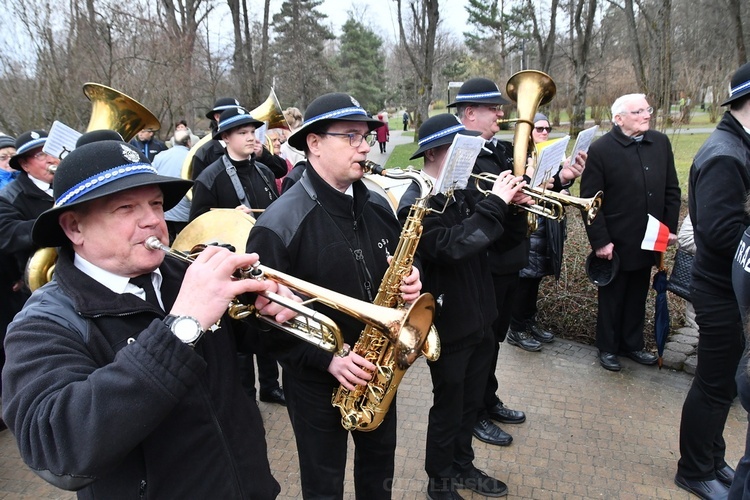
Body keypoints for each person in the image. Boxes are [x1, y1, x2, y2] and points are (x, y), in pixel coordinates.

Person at [1, 135, 297, 498]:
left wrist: (278, 316)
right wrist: (182, 327)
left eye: (156, 204)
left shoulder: (183, 274)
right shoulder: (43, 322)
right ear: (74, 227)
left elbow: (259, 347)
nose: (154, 222)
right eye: (127, 208)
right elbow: (56, 449)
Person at [245, 92, 423, 499]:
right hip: (315, 383)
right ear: (314, 143)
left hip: (378, 371)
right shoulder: (278, 226)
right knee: (324, 484)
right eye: (352, 136)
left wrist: (413, 278)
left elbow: (398, 263)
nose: (365, 146)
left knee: (379, 473)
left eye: (366, 136)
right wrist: (327, 359)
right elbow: (261, 328)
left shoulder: (378, 204)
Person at [398, 113, 526, 499]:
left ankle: (463, 466)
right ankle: (439, 482)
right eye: (463, 149)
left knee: (470, 405)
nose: (471, 157)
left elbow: (498, 241)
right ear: (437, 151)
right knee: (448, 408)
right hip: (448, 324)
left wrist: (513, 208)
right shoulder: (416, 202)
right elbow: (452, 247)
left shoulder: (464, 190)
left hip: (481, 316)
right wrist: (494, 206)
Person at [449, 77, 582, 448]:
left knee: (494, 342)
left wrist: (559, 179)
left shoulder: (503, 149)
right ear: (470, 113)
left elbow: (525, 190)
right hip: (486, 262)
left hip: (510, 257)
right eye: (493, 108)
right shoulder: (462, 154)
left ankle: (487, 399)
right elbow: (472, 212)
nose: (501, 113)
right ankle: (473, 413)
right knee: (482, 343)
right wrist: (505, 201)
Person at [676, 62, 750, 499]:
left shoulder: (735, 146)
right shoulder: (726, 153)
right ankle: (694, 469)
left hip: (726, 288)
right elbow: (721, 232)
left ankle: (712, 457)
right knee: (714, 383)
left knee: (719, 385)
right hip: (720, 290)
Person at [189, 106, 286, 405]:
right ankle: (246, 397)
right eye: (242, 133)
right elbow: (198, 229)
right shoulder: (210, 177)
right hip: (231, 269)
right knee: (241, 334)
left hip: (263, 262)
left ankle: (270, 386)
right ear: (225, 138)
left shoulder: (264, 170)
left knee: (268, 323)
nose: (250, 138)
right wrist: (226, 217)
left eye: (251, 132)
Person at [580, 93, 681, 372]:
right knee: (612, 297)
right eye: (638, 112)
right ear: (619, 118)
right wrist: (600, 241)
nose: (646, 115)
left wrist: (668, 229)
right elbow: (590, 202)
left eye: (647, 110)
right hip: (615, 241)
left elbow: (671, 190)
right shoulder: (601, 150)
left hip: (649, 237)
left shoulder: (660, 142)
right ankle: (608, 348)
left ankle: (632, 344)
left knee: (638, 294)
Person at [507, 113, 585, 349]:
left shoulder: (550, 152)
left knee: (536, 278)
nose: (544, 132)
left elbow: (552, 183)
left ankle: (530, 322)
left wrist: (564, 179)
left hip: (544, 225)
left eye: (547, 128)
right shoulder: (519, 156)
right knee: (525, 280)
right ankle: (517, 328)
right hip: (528, 226)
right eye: (539, 128)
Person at [152, 129, 192, 242]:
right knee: (185, 243)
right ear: (188, 142)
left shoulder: (160, 156)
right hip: (184, 211)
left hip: (165, 210)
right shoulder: (191, 156)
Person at [191, 97, 242, 180]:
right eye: (230, 114)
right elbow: (199, 187)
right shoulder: (204, 153)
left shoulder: (250, 145)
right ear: (217, 117)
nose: (236, 119)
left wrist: (262, 155)